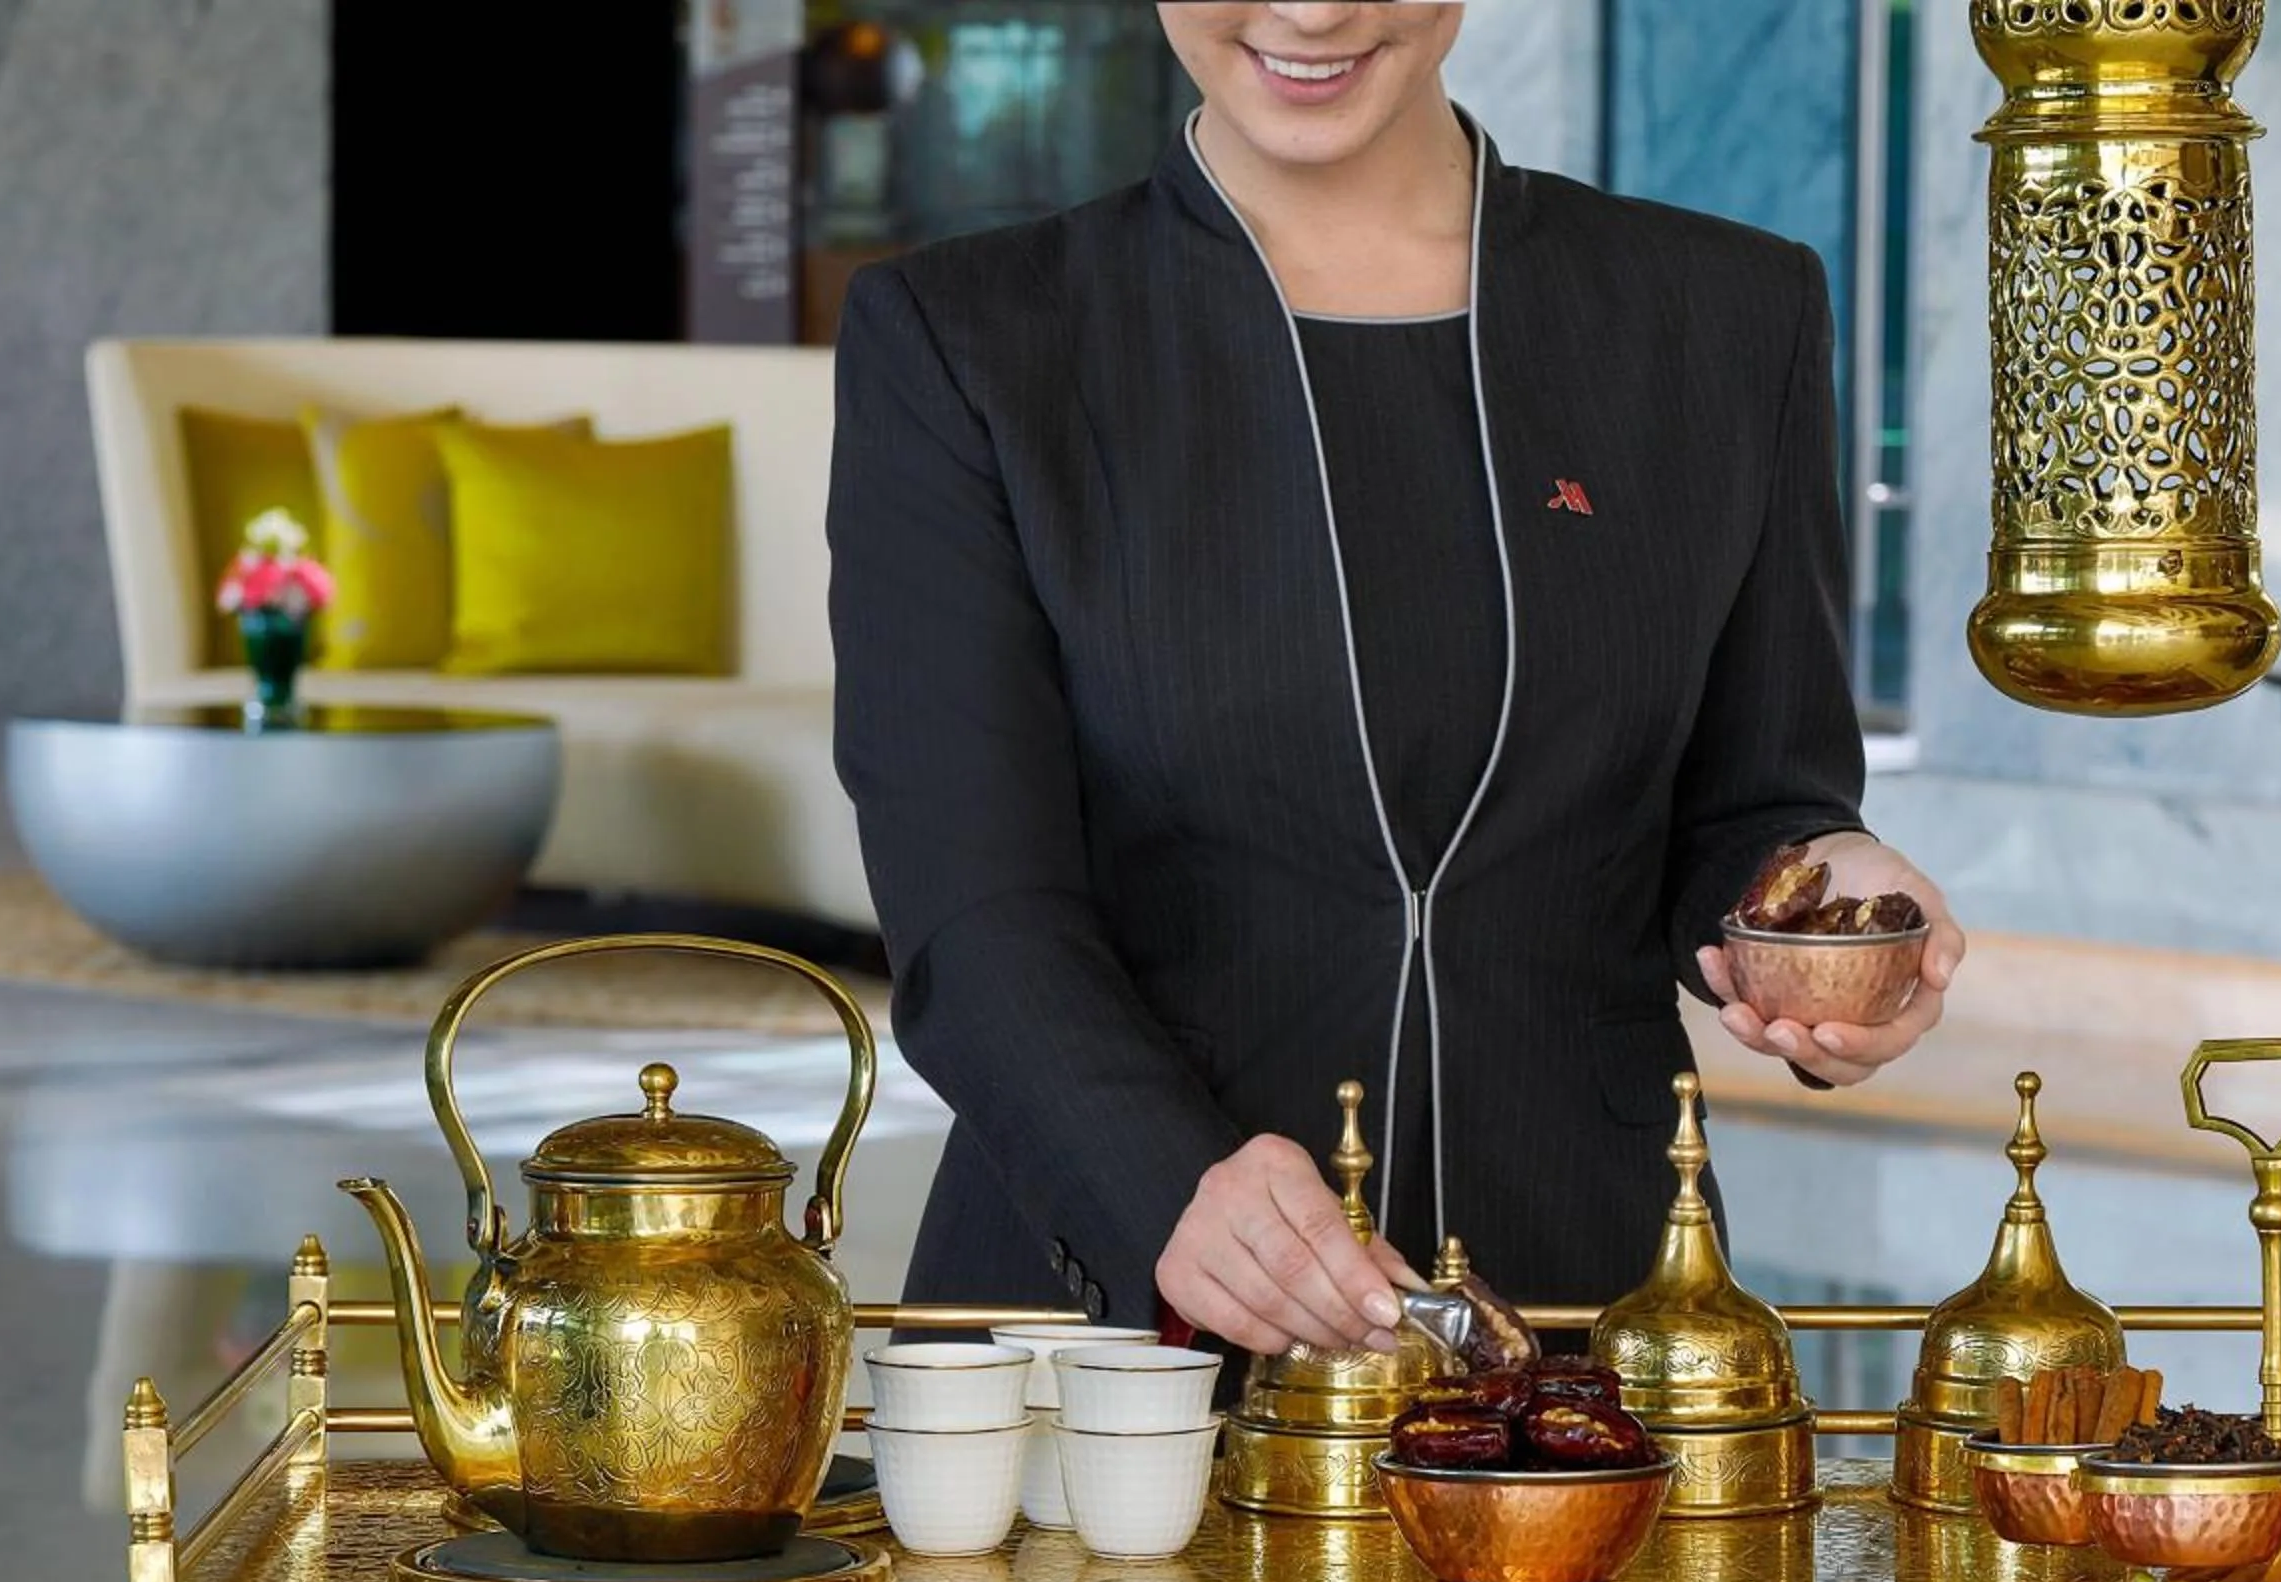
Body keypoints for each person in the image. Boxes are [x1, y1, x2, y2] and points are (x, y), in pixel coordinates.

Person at [831, 1, 1964, 1371]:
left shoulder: (1722, 315)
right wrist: (1164, 1183)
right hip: (1125, 1332)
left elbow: (1754, 797)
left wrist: (1828, 910)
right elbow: (973, 906)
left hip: (1584, 1311)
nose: (1312, 12)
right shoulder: (972, 338)